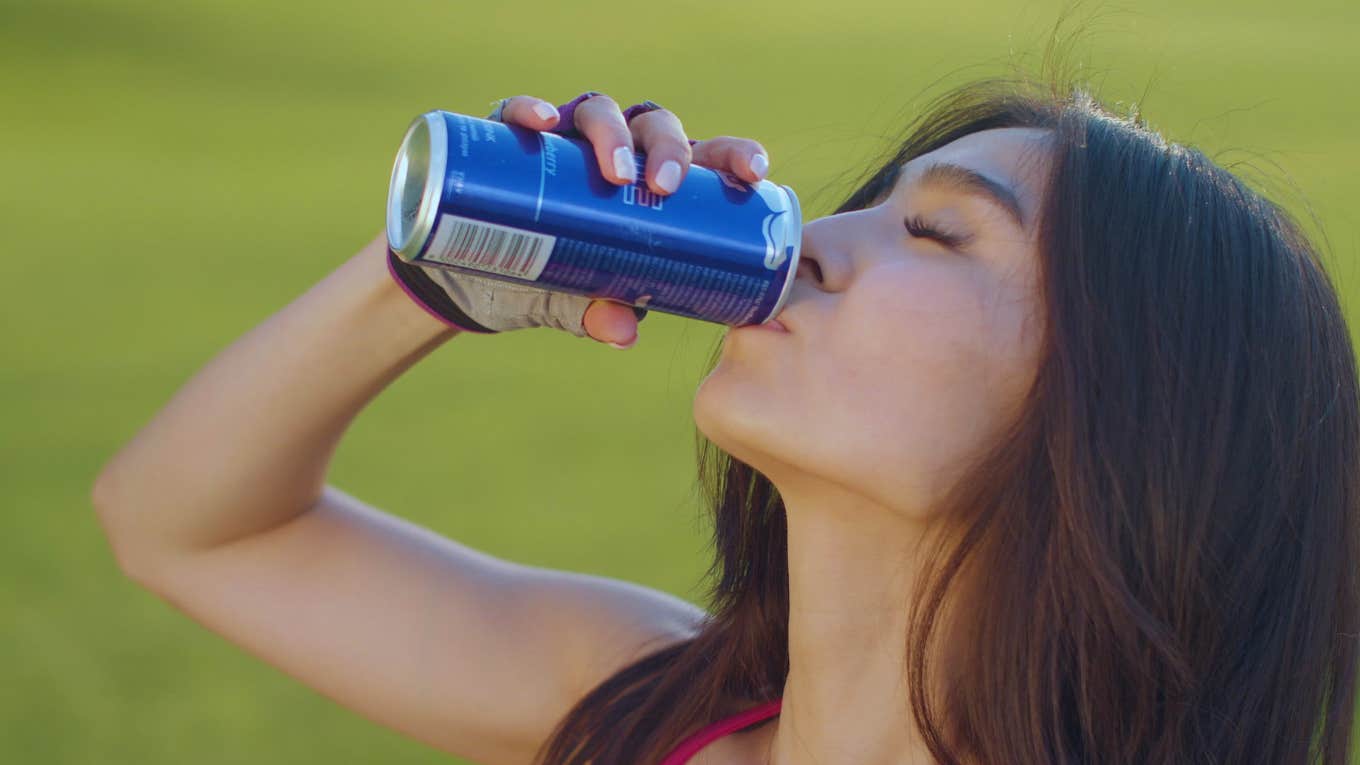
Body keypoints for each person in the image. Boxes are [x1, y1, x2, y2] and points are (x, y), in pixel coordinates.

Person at [91, 69, 1359, 765]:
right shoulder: (643, 708)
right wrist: (428, 276)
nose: (807, 242)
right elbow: (181, 527)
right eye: (865, 201)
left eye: (934, 230)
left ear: (1130, 416)